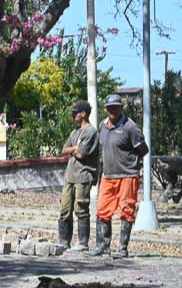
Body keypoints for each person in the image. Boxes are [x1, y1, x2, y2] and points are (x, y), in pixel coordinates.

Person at [90, 93, 149, 259]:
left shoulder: (131, 127)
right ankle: (102, 246)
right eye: (110, 108)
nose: (113, 110)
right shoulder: (102, 126)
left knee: (126, 210)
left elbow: (143, 150)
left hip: (127, 175)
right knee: (102, 210)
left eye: (116, 107)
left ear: (121, 108)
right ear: (105, 109)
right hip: (108, 176)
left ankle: (123, 248)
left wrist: (133, 165)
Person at [58, 99, 98, 252]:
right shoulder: (75, 132)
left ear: (83, 113)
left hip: (83, 176)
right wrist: (75, 147)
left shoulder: (91, 132)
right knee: (65, 209)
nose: (73, 115)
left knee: (81, 209)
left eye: (75, 112)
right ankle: (64, 241)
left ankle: (82, 242)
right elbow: (64, 150)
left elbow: (81, 154)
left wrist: (75, 150)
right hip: (70, 176)